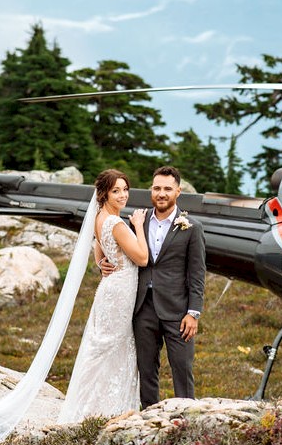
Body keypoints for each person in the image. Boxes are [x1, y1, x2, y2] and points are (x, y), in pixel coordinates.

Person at [102, 166, 206, 409]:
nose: (161, 193)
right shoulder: (137, 220)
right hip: (142, 307)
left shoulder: (192, 227)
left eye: (167, 189)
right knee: (146, 370)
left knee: (182, 367)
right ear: (151, 190)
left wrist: (193, 313)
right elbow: (114, 246)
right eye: (157, 188)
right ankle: (149, 417)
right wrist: (102, 262)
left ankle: (186, 417)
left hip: (178, 311)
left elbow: (197, 274)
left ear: (178, 192)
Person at [58, 169, 148, 423]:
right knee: (113, 345)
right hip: (119, 290)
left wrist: (101, 263)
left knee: (103, 346)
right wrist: (139, 227)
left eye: (125, 189)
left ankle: (92, 404)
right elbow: (142, 258)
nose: (122, 195)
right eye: (116, 191)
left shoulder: (100, 218)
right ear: (104, 194)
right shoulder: (117, 224)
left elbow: (99, 248)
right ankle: (102, 408)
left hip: (110, 288)